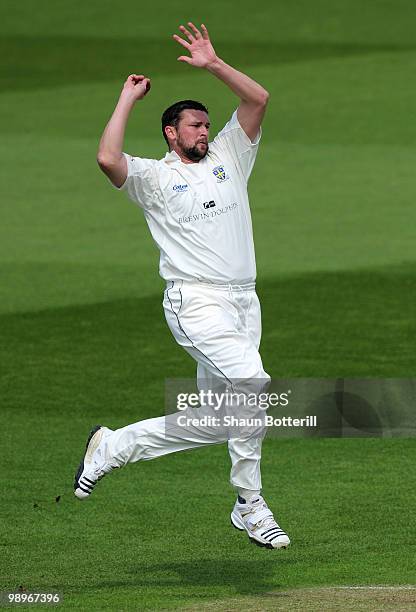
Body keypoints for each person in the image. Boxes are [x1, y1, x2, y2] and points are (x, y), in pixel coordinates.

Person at [74, 22, 290, 550]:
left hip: (244, 301)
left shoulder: (230, 157)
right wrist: (126, 97)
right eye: (194, 125)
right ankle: (250, 503)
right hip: (195, 301)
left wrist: (213, 64)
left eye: (206, 124)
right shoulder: (153, 177)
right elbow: (107, 159)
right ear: (171, 132)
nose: (203, 130)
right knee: (253, 384)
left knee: (224, 419)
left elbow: (259, 98)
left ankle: (114, 446)